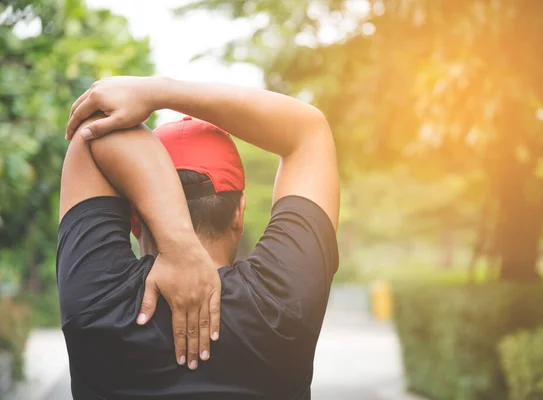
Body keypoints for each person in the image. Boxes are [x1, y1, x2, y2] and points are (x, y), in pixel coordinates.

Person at [58, 76, 339, 399]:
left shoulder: (98, 301)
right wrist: (158, 92)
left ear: (135, 218)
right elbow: (308, 130)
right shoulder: (284, 299)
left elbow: (93, 127)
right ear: (239, 213)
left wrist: (178, 245)